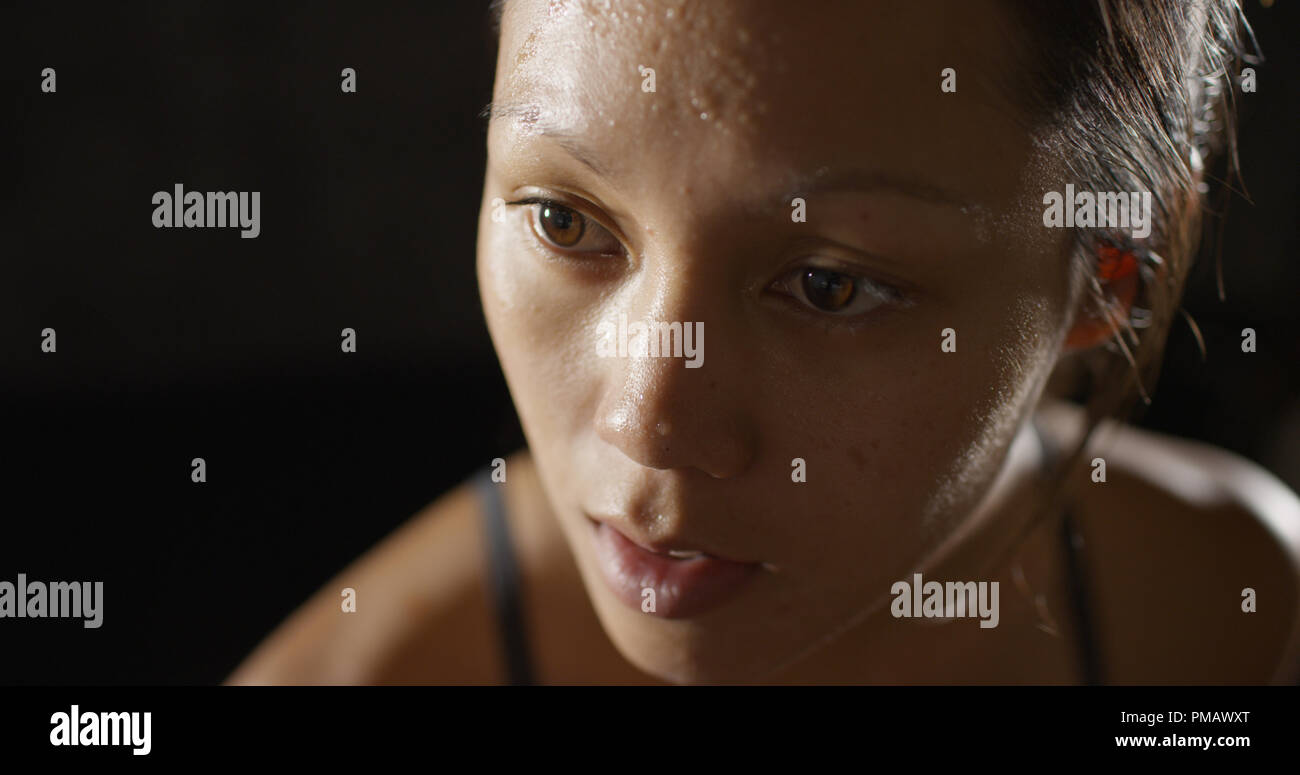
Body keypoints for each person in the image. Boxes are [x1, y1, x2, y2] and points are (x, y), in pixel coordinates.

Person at [227, 0, 1300, 685]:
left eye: (827, 286)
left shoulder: (1244, 625)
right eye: (565, 222)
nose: (647, 423)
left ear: (1105, 273)